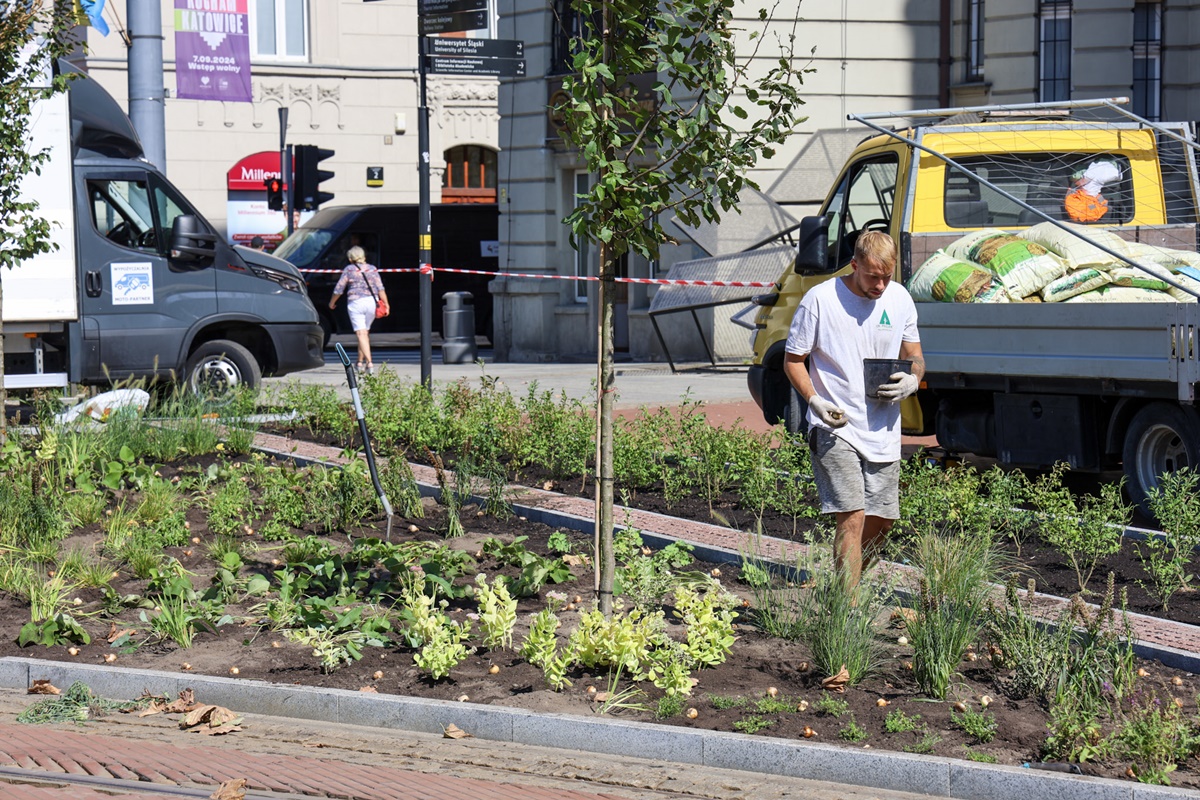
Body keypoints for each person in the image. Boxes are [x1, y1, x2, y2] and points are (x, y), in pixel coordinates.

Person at [782, 231, 924, 587]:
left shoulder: (900, 299)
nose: (879, 285)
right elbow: (793, 360)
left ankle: (847, 583)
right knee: (853, 516)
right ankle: (847, 613)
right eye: (872, 276)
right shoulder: (821, 299)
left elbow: (916, 356)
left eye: (886, 276)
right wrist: (814, 400)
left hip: (882, 428)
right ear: (854, 264)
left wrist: (912, 380)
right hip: (834, 426)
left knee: (882, 520)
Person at [328, 246, 389, 375]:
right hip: (371, 303)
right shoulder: (372, 269)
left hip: (356, 303)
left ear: (350, 258)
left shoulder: (349, 269)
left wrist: (332, 302)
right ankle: (359, 362)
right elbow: (380, 288)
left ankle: (370, 363)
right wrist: (386, 304)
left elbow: (339, 289)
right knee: (364, 333)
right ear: (364, 256)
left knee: (361, 334)